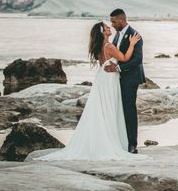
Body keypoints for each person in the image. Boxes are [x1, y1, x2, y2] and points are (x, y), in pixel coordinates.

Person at [38, 22, 145, 161]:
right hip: (109, 80)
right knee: (109, 109)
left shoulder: (100, 47)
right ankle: (111, 141)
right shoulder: (109, 46)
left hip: (102, 78)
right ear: (103, 32)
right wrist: (131, 44)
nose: (110, 28)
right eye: (107, 27)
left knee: (102, 109)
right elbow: (125, 58)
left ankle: (103, 140)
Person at [104, 9, 146, 154]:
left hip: (130, 79)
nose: (112, 25)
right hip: (117, 80)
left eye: (114, 22)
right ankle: (121, 141)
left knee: (129, 111)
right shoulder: (116, 35)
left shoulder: (135, 35)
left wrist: (118, 68)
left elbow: (137, 60)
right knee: (119, 111)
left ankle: (132, 145)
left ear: (121, 20)